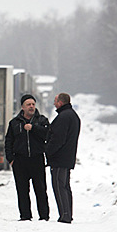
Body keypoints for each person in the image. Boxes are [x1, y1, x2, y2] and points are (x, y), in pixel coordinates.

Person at [5, 94, 50, 221]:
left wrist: (34, 128)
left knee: (41, 190)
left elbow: (48, 135)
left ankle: (44, 216)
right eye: (28, 105)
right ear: (22, 107)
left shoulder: (42, 120)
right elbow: (8, 141)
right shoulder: (14, 123)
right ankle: (25, 215)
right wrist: (11, 159)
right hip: (20, 161)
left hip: (37, 159)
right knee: (22, 190)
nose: (31, 107)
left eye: (33, 104)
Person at [46, 93, 81, 224]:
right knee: (65, 186)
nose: (54, 104)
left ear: (61, 102)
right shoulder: (72, 115)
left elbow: (58, 138)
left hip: (60, 158)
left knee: (59, 186)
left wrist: (48, 151)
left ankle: (65, 215)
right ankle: (67, 214)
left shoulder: (64, 117)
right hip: (67, 157)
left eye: (55, 101)